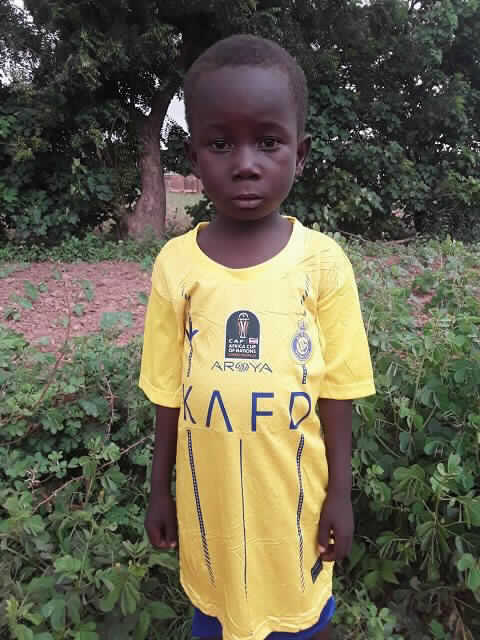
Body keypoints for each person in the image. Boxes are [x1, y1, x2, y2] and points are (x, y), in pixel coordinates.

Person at [139, 34, 375, 640]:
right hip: (208, 520)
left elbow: (339, 391)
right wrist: (159, 490)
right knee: (216, 616)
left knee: (303, 622)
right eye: (221, 144)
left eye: (268, 142)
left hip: (295, 518)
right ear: (194, 156)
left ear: (300, 153)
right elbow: (166, 392)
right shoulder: (176, 265)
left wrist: (341, 496)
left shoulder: (323, 264)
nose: (245, 163)